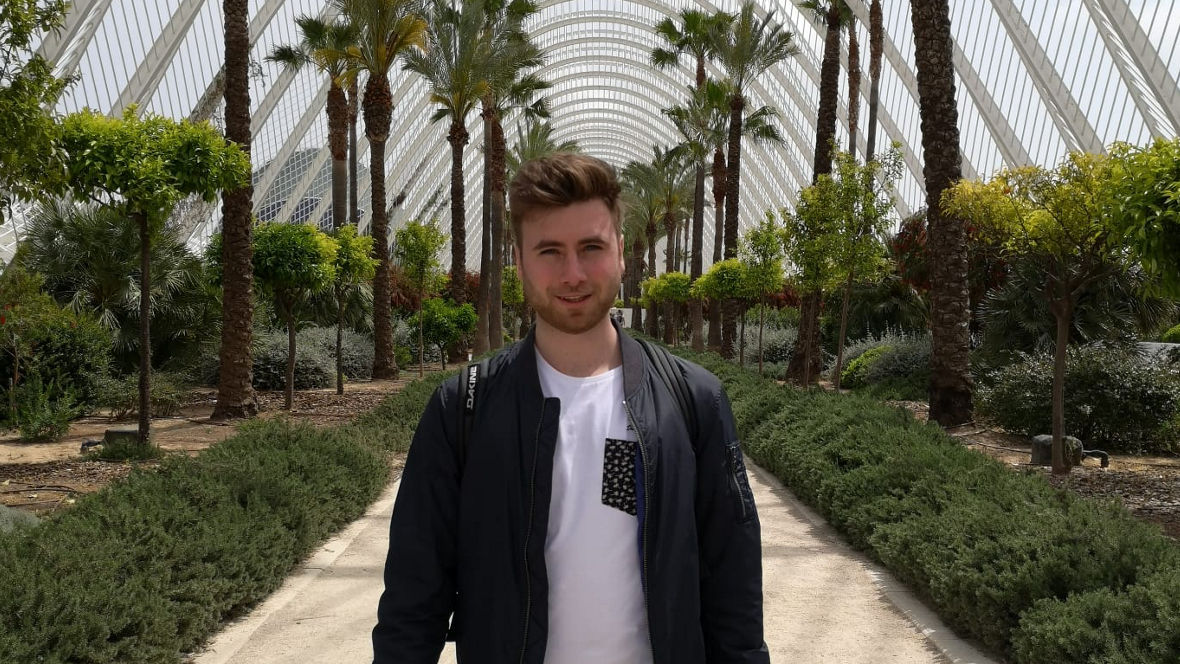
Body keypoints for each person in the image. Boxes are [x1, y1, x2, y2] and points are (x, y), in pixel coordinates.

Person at [373, 153, 768, 664]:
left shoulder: (692, 401)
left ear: (621, 252)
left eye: (591, 247)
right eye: (550, 251)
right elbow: (413, 596)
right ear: (518, 261)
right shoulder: (464, 410)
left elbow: (733, 589)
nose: (573, 273)